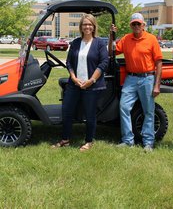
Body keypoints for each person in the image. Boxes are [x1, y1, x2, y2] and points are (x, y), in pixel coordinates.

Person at [52, 14, 109, 151]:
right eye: (84, 24)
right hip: (75, 84)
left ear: (94, 26)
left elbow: (104, 63)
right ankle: (65, 140)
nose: (87, 27)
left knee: (90, 115)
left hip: (92, 85)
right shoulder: (76, 42)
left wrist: (91, 80)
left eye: (90, 24)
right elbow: (69, 62)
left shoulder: (99, 43)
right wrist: (73, 77)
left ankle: (89, 141)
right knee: (67, 111)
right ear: (81, 27)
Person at [109, 13, 163, 152]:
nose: (136, 26)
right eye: (134, 24)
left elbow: (158, 62)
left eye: (139, 24)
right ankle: (128, 140)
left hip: (148, 78)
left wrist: (157, 85)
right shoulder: (127, 38)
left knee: (148, 111)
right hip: (131, 78)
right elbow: (111, 51)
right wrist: (111, 36)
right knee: (124, 107)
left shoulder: (151, 39)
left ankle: (148, 142)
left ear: (143, 25)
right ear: (131, 25)